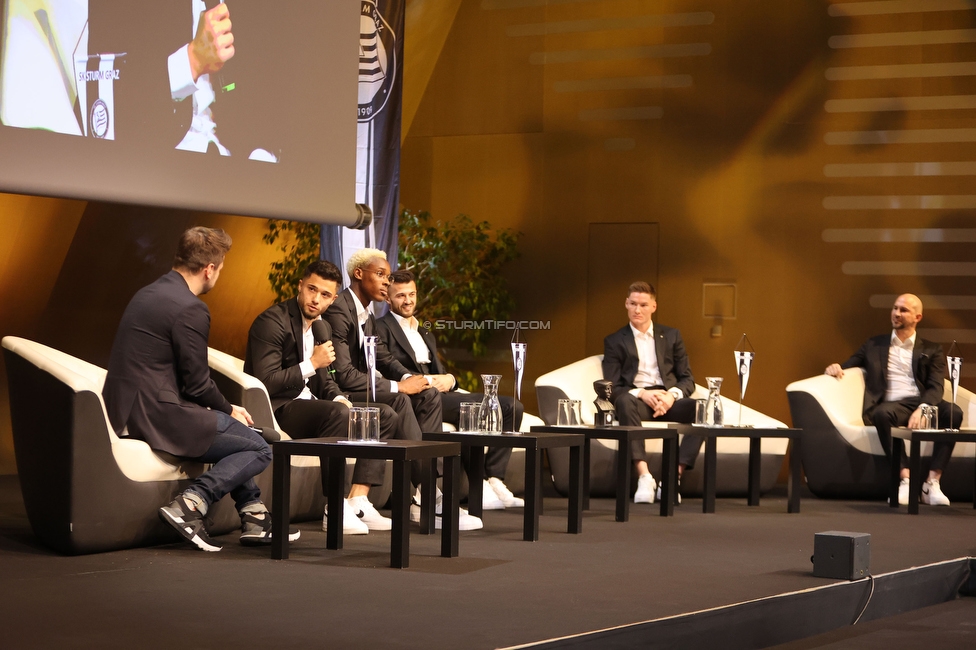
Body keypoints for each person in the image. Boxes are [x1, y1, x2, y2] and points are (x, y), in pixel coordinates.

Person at [102, 227, 293, 551]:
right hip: (158, 413)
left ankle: (255, 517)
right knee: (260, 446)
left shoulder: (147, 292)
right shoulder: (190, 308)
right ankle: (191, 503)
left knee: (243, 438)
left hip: (131, 406)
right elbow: (197, 383)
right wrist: (229, 408)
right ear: (209, 269)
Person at [324, 248, 482, 530]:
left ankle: (421, 496)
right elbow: (345, 375)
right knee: (397, 403)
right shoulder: (340, 309)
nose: (387, 281)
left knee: (428, 394)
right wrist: (399, 386)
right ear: (359, 274)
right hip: (340, 390)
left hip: (366, 386)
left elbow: (383, 358)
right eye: (381, 275)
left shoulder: (367, 314)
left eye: (388, 276)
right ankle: (429, 495)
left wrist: (413, 379)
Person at [245, 259, 401, 535]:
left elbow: (325, 379)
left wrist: (339, 396)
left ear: (333, 299)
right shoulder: (272, 322)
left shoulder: (320, 327)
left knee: (381, 414)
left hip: (312, 405)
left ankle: (358, 500)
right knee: (337, 414)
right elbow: (266, 381)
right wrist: (311, 364)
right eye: (312, 290)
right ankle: (335, 507)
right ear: (300, 286)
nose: (316, 300)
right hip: (281, 407)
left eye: (326, 295)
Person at [375, 270, 525, 511]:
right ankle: (479, 484)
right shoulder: (380, 328)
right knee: (472, 409)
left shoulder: (423, 330)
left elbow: (442, 373)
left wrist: (451, 379)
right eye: (401, 295)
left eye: (412, 294)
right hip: (417, 396)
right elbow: (389, 368)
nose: (408, 300)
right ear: (388, 299)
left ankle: (495, 479)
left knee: (510, 407)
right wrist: (432, 381)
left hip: (441, 394)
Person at [825, 293, 960, 506]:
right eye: (895, 308)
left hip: (920, 402)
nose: (896, 313)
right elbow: (849, 364)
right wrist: (835, 367)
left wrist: (924, 409)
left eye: (903, 310)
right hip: (893, 405)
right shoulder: (873, 344)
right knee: (881, 414)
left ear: (918, 317)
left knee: (954, 412)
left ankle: (931, 483)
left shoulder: (931, 349)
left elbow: (936, 386)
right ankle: (905, 479)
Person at [603, 282, 699, 504]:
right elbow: (613, 386)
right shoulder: (615, 341)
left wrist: (671, 396)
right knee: (625, 401)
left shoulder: (672, 336)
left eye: (643, 305)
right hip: (638, 400)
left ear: (653, 306)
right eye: (633, 304)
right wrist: (641, 394)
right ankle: (644, 477)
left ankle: (673, 477)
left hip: (667, 399)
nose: (638, 310)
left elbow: (687, 378)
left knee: (702, 409)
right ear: (626, 304)